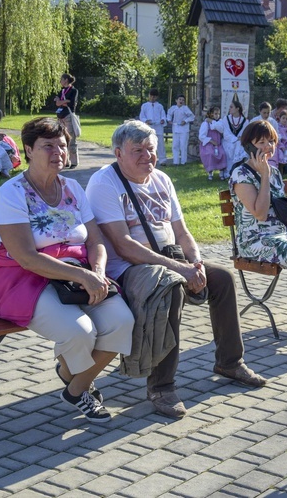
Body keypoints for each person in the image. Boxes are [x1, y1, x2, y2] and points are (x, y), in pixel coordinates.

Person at [86, 120, 267, 418]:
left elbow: (182, 233)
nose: (147, 156)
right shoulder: (104, 183)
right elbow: (124, 245)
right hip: (129, 269)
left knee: (222, 278)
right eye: (138, 151)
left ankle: (230, 362)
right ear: (118, 153)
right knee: (169, 288)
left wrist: (195, 263)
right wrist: (181, 270)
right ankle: (161, 386)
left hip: (170, 259)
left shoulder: (161, 179)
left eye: (152, 149)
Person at [0, 117, 133, 423]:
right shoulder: (12, 193)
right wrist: (84, 276)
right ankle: (82, 382)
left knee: (122, 321)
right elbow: (25, 257)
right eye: (48, 146)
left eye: (62, 145)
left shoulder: (73, 187)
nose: (58, 152)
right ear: (28, 149)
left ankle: (75, 386)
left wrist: (98, 272)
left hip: (77, 277)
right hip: (24, 281)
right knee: (80, 332)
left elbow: (95, 241)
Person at [229, 120, 287, 346]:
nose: (268, 146)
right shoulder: (241, 174)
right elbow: (260, 214)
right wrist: (263, 176)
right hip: (256, 240)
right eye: (261, 142)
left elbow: (283, 211)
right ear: (248, 146)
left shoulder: (273, 172)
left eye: (271, 141)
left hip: (282, 236)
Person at [212, 99, 249, 180]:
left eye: (231, 107)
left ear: (237, 109)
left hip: (239, 142)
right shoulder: (226, 118)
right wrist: (235, 139)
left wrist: (241, 138)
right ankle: (228, 172)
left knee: (240, 147)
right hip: (228, 141)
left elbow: (245, 132)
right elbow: (226, 133)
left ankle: (238, 171)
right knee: (231, 147)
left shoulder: (245, 121)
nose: (230, 108)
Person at [54, 74, 79, 169]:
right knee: (62, 138)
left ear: (66, 80)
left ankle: (74, 161)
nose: (60, 81)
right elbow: (57, 103)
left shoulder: (73, 91)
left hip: (68, 115)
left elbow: (72, 103)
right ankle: (66, 161)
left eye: (61, 79)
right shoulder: (62, 91)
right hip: (60, 116)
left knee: (71, 138)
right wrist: (64, 101)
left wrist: (61, 101)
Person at [138, 88, 167, 166]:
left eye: (154, 97)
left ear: (156, 97)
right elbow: (142, 116)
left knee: (160, 143)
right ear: (149, 96)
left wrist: (163, 120)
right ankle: (149, 158)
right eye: (151, 96)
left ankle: (162, 160)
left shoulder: (159, 106)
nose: (152, 98)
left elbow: (163, 115)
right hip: (149, 127)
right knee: (149, 143)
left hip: (158, 127)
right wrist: (145, 120)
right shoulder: (145, 106)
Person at [199, 107, 227, 181]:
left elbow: (221, 129)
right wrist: (211, 141)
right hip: (208, 144)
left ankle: (221, 173)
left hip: (218, 144)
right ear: (211, 114)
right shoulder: (205, 124)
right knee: (210, 154)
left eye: (218, 114)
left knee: (222, 153)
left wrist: (213, 122)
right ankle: (210, 173)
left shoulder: (220, 122)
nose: (217, 115)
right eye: (215, 114)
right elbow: (201, 136)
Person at [166, 95, 195, 165]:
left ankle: (183, 161)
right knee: (175, 145)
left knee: (183, 145)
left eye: (183, 100)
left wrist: (185, 121)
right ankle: (175, 161)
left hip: (184, 129)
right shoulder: (173, 108)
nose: (181, 101)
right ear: (176, 100)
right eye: (180, 99)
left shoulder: (185, 108)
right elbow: (169, 114)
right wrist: (169, 120)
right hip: (175, 128)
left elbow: (192, 116)